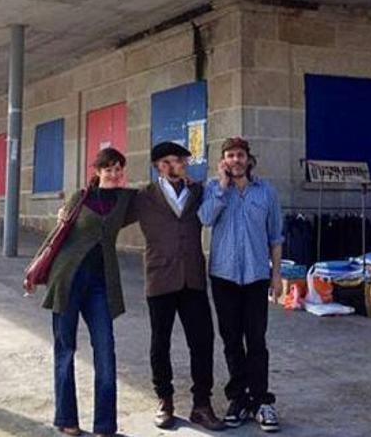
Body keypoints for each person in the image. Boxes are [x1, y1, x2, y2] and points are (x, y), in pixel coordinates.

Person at [25, 147, 136, 437]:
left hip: (101, 285)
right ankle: (66, 419)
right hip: (68, 280)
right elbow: (57, 237)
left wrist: (182, 180)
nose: (114, 174)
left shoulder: (125, 200)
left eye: (118, 169)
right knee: (65, 350)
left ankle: (105, 425)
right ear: (97, 171)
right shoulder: (80, 197)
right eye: (108, 169)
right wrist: (34, 270)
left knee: (105, 351)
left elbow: (156, 196)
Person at [124, 142, 225, 431]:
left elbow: (218, 201)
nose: (180, 165)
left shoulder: (197, 191)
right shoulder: (143, 196)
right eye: (174, 161)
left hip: (192, 277)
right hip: (160, 277)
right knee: (161, 341)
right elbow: (110, 211)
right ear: (160, 165)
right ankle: (164, 401)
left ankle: (202, 404)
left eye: (182, 161)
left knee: (202, 341)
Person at [198, 137, 284, 433]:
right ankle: (238, 398)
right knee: (232, 340)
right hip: (223, 277)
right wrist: (222, 187)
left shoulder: (266, 192)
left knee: (256, 340)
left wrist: (276, 275)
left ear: (248, 159)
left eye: (240, 155)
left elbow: (276, 236)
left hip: (257, 277)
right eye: (230, 155)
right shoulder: (212, 188)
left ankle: (262, 401)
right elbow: (205, 219)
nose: (235, 160)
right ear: (223, 160)